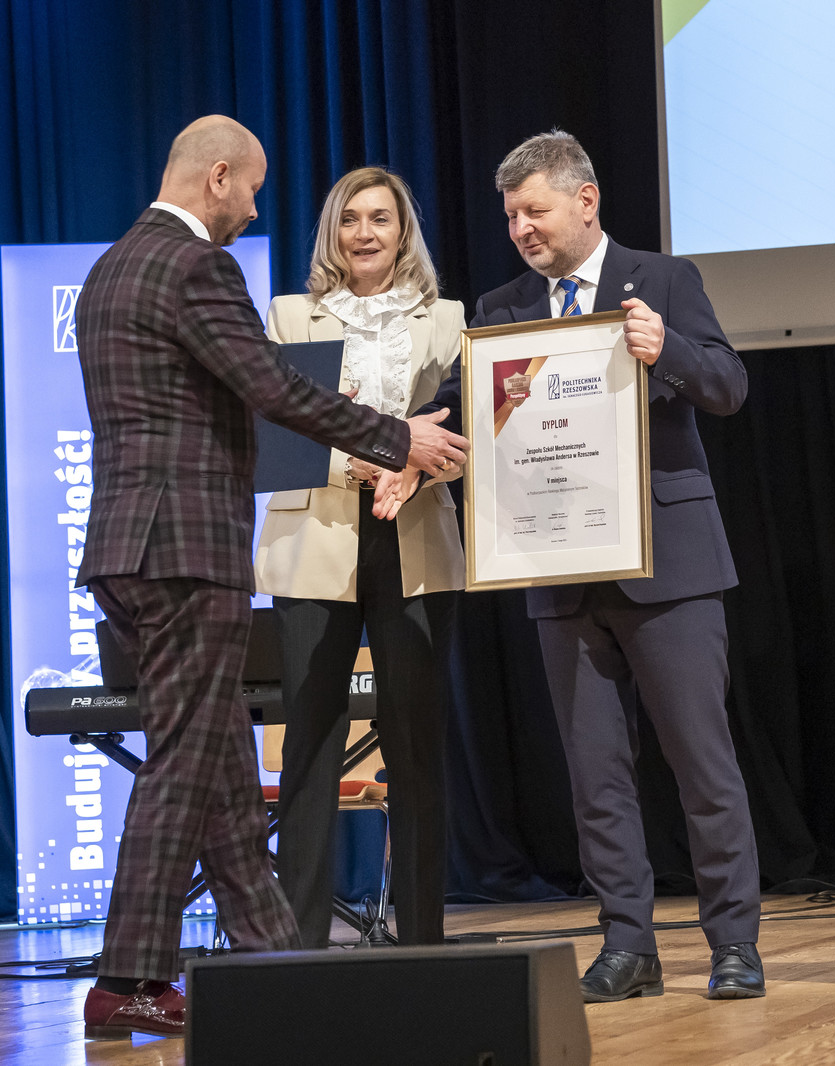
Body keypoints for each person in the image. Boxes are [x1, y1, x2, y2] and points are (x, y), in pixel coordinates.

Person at [74, 116, 469, 1039]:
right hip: (184, 549)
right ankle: (126, 979)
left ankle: (275, 960)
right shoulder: (196, 267)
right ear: (219, 176)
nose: (255, 210)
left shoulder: (109, 269)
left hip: (125, 547)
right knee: (184, 764)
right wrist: (395, 437)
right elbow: (274, 389)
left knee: (215, 759)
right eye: (251, 188)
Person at [425, 129, 763, 1001]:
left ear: (586, 200)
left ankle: (734, 943)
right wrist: (407, 446)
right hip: (559, 567)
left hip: (670, 567)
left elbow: (728, 387)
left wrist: (668, 351)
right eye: (511, 217)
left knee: (702, 764)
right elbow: (462, 413)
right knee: (596, 775)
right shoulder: (500, 308)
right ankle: (627, 945)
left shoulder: (664, 281)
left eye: (534, 211)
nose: (521, 230)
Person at [254, 167, 466, 948]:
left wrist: (417, 468)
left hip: (416, 533)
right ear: (332, 233)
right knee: (311, 741)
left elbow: (466, 426)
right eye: (350, 219)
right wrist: (369, 460)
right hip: (314, 535)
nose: (364, 233)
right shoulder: (288, 316)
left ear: (403, 230)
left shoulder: (447, 320)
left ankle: (423, 941)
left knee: (415, 743)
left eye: (380, 217)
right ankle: (301, 945)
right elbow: (274, 425)